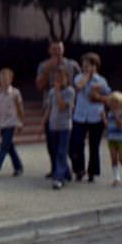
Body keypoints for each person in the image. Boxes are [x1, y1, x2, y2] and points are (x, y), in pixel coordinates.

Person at [35, 41, 80, 180]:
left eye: (59, 49)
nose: (57, 53)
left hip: (67, 108)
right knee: (52, 143)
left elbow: (79, 83)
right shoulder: (43, 66)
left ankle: (71, 170)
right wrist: (48, 70)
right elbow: (39, 86)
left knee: (69, 143)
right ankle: (58, 169)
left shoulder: (72, 65)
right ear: (49, 50)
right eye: (54, 50)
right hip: (50, 106)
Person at [71, 52, 111, 182]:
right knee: (77, 143)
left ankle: (92, 172)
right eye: (84, 65)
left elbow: (110, 97)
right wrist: (87, 77)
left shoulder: (102, 81)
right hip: (80, 115)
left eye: (89, 65)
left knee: (94, 145)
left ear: (95, 66)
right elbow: (79, 86)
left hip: (96, 116)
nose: (86, 67)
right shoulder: (79, 77)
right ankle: (79, 169)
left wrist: (99, 97)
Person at [0, 67, 24, 177]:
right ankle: (18, 167)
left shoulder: (15, 93)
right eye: (1, 78)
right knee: (9, 146)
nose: (3, 81)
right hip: (2, 123)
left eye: (5, 78)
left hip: (12, 122)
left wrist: (21, 122)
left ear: (11, 79)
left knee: (4, 146)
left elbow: (20, 108)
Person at [46, 64, 75, 190]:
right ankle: (67, 172)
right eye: (56, 78)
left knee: (61, 152)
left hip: (64, 126)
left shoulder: (70, 91)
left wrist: (58, 91)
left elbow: (63, 106)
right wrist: (43, 122)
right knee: (55, 151)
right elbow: (50, 108)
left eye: (61, 78)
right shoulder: (51, 92)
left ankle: (59, 179)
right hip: (53, 125)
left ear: (67, 78)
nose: (58, 81)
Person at [104, 91, 122, 185]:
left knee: (121, 158)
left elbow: (121, 124)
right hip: (111, 138)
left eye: (116, 103)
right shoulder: (110, 113)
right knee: (113, 158)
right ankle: (116, 178)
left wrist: (116, 116)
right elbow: (108, 126)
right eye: (112, 103)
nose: (114, 105)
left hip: (120, 138)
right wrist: (104, 119)